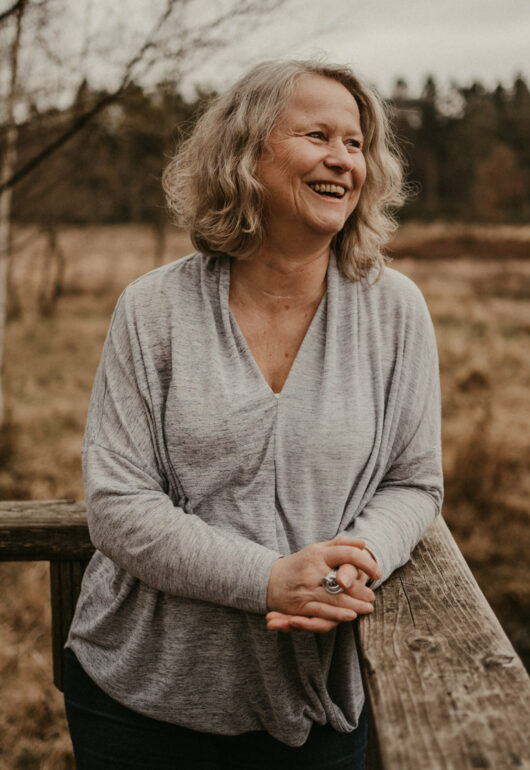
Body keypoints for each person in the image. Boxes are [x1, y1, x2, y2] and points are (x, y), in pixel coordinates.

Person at [64, 59, 443, 770]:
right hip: (138, 701)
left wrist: (347, 571)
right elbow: (117, 502)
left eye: (356, 143)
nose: (343, 159)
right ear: (247, 154)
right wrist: (268, 579)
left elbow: (413, 482)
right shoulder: (155, 309)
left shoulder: (395, 312)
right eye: (318, 135)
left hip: (310, 704)